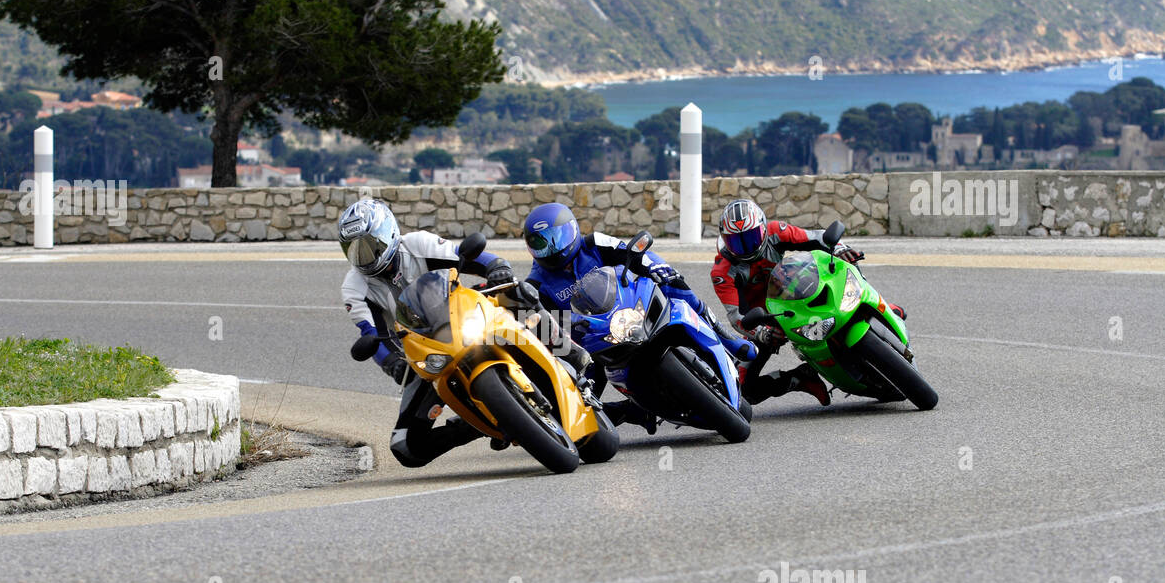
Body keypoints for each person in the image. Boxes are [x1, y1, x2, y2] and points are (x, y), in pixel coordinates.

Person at [521, 202, 756, 432]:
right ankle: (629, 411)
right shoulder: (536, 283)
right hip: (594, 339)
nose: (551, 249)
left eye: (556, 239)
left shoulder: (592, 243)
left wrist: (656, 267)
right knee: (576, 401)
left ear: (572, 230)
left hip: (629, 307)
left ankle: (726, 340)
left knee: (674, 284)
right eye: (541, 243)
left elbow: (633, 252)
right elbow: (540, 324)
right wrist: (555, 334)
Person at [339, 198, 514, 467]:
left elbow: (466, 257)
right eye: (355, 250)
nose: (365, 256)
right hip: (425, 354)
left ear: (388, 232)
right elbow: (370, 332)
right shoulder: (353, 287)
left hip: (464, 318)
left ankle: (570, 356)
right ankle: (476, 426)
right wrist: (391, 363)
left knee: (518, 295)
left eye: (371, 245)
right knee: (406, 447)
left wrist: (496, 267)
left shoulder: (418, 243)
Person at [710, 198, 904, 406]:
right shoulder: (722, 272)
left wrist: (839, 248)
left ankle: (878, 304)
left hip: (797, 292)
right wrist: (761, 333)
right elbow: (736, 316)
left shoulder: (776, 231)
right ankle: (797, 379)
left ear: (763, 228)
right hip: (765, 320)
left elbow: (817, 237)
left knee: (845, 266)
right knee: (742, 391)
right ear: (725, 239)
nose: (746, 247)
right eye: (737, 242)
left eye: (751, 237)